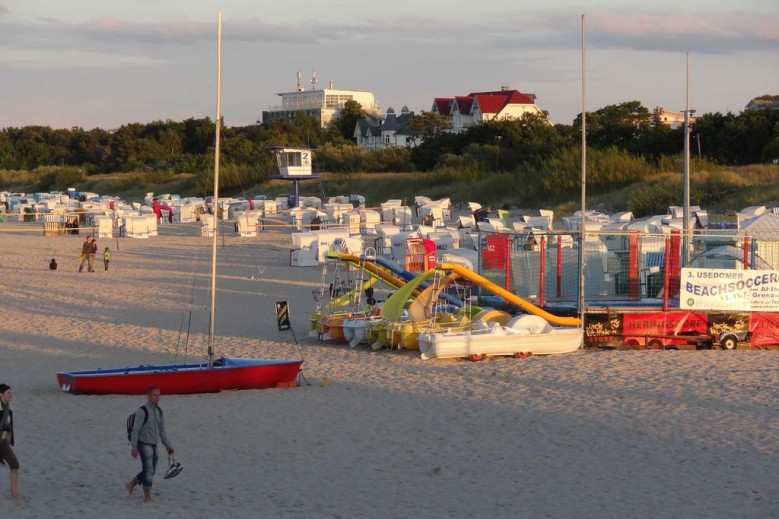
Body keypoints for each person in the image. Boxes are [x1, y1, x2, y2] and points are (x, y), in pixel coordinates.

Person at [126, 387, 174, 502]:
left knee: (151, 470)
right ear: (148, 395)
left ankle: (131, 484)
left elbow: (162, 431)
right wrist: (134, 447)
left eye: (159, 395)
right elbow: (135, 430)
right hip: (143, 444)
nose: (158, 397)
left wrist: (168, 446)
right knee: (148, 469)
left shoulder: (159, 411)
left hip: (154, 444)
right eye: (155, 395)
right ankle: (147, 494)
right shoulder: (142, 411)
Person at [0, 384, 20, 500]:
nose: (10, 395)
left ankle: (14, 493)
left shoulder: (9, 406)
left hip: (2, 442)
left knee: (14, 464)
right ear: (1, 395)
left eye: (10, 393)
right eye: (8, 393)